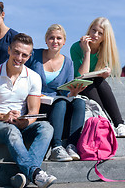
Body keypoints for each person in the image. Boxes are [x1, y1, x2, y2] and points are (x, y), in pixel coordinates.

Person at [0, 33, 56, 188]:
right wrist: (3, 116)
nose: (19, 58)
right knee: (11, 130)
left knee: (47, 128)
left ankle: (27, 175)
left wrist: (25, 121)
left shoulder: (34, 77)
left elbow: (34, 110)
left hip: (18, 124)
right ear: (9, 50)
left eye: (24, 55)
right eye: (16, 52)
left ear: (29, 57)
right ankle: (35, 173)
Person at [26, 24, 86, 162]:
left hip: (58, 102)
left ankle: (71, 145)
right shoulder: (34, 55)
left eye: (59, 38)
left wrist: (73, 92)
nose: (55, 41)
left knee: (79, 102)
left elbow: (66, 92)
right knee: (60, 102)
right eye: (51, 38)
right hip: (36, 100)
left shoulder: (68, 63)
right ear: (46, 40)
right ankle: (56, 147)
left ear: (64, 41)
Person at [70, 17, 125, 138]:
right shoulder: (76, 47)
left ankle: (119, 124)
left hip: (97, 84)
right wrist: (86, 51)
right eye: (93, 30)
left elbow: (100, 75)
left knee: (99, 81)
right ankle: (107, 122)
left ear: (105, 37)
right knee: (89, 81)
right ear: (89, 30)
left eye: (100, 33)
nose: (95, 35)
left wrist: (105, 73)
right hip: (81, 86)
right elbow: (80, 76)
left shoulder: (106, 50)